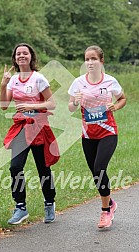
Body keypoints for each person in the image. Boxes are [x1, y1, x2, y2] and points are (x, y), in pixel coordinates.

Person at [0, 43, 60, 225]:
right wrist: (3, 85)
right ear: (15, 59)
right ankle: (20, 207)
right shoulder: (13, 80)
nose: (22, 56)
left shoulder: (39, 78)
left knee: (43, 169)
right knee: (15, 167)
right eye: (18, 54)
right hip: (21, 128)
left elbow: (52, 104)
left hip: (38, 128)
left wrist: (32, 106)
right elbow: (3, 105)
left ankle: (49, 203)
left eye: (25, 53)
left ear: (31, 57)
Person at [68, 45, 126, 228]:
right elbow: (70, 107)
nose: (90, 62)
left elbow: (122, 98)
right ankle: (110, 203)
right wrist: (75, 102)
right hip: (88, 134)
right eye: (87, 59)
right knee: (95, 173)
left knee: (100, 167)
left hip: (108, 131)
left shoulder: (110, 81)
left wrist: (115, 107)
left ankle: (105, 211)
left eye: (93, 59)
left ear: (101, 61)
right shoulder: (78, 82)